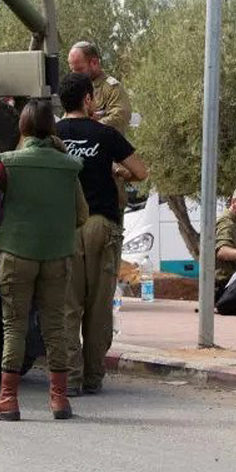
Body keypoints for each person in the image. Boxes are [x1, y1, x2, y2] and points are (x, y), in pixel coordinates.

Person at [0, 98, 85, 421]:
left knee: (14, 326)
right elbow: (82, 214)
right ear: (52, 127)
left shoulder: (4, 165)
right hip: (57, 256)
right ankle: (59, 399)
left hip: (15, 255)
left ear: (22, 127)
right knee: (56, 326)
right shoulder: (69, 168)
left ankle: (8, 399)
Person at [56, 72, 148, 397]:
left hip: (63, 228)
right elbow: (141, 171)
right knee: (97, 307)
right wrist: (113, 169)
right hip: (101, 225)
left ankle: (71, 379)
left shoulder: (52, 134)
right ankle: (94, 377)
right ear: (88, 99)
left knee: (67, 305)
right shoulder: (105, 134)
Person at [67, 41, 131, 136]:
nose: (75, 75)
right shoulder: (75, 89)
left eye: (80, 69)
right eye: (73, 70)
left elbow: (120, 117)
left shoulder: (112, 88)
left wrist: (91, 125)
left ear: (94, 62)